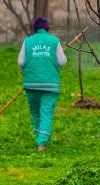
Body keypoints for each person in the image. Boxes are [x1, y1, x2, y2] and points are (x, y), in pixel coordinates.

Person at [18, 17, 67, 151]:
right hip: (50, 85)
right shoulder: (54, 41)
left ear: (34, 28)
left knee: (35, 112)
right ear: (47, 28)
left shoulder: (27, 41)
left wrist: (26, 72)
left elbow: (21, 62)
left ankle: (40, 136)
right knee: (46, 112)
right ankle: (42, 142)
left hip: (31, 84)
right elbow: (62, 62)